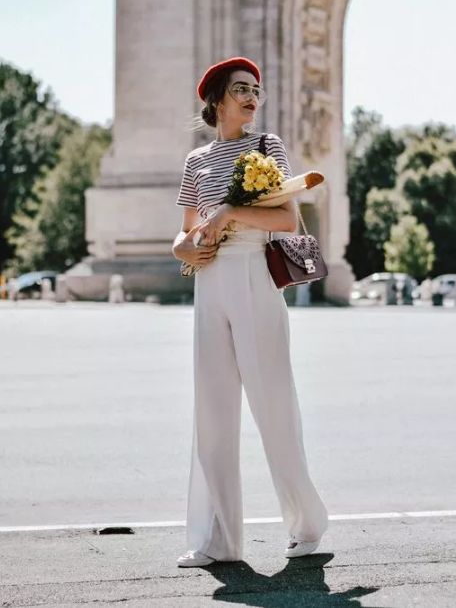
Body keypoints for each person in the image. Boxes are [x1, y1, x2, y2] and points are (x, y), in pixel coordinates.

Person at [172, 57, 328, 568]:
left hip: (254, 276)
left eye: (256, 90)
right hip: (209, 282)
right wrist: (181, 248)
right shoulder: (196, 160)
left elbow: (287, 218)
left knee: (272, 403)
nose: (252, 97)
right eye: (241, 88)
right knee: (212, 411)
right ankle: (217, 540)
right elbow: (185, 229)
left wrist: (232, 211)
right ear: (217, 99)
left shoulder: (267, 146)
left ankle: (306, 522)